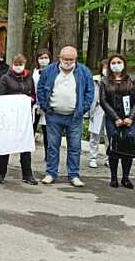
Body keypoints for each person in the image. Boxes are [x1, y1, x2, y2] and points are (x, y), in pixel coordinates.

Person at [36, 46, 94, 187]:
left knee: (74, 147)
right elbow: (41, 88)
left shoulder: (84, 71)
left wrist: (82, 108)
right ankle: (51, 173)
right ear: (59, 58)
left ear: (76, 59)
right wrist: (46, 107)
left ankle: (73, 175)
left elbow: (89, 92)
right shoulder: (49, 71)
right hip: (53, 115)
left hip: (74, 116)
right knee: (52, 146)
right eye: (65, 59)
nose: (68, 62)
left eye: (71, 59)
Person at [99, 54, 135, 189]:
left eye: (119, 62)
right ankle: (113, 177)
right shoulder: (105, 81)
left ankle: (126, 177)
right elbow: (103, 101)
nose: (116, 65)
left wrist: (131, 117)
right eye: (113, 63)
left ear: (124, 64)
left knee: (128, 146)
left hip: (130, 119)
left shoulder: (132, 80)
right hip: (113, 120)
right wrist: (116, 118)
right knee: (114, 147)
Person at [0, 54, 39, 186]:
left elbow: (33, 94)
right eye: (16, 64)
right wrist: (16, 98)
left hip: (24, 117)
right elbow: (0, 96)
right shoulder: (5, 78)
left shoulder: (29, 78)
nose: (18, 67)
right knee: (6, 145)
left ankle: (27, 174)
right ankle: (1, 173)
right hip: (9, 116)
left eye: (21, 64)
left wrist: (30, 99)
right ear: (12, 65)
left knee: (25, 145)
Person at [87, 60, 108, 169]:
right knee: (94, 136)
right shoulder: (95, 80)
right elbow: (90, 96)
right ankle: (93, 158)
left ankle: (109, 158)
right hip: (97, 110)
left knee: (109, 136)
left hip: (110, 112)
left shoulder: (116, 81)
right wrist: (88, 112)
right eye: (104, 68)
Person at [32, 49, 51, 160]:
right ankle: (26, 154)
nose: (43, 60)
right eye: (41, 58)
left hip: (47, 106)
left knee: (47, 131)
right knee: (31, 129)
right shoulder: (34, 72)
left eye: (46, 58)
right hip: (35, 105)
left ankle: (48, 156)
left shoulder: (53, 71)